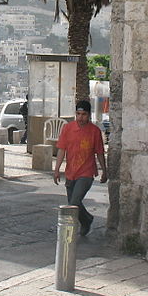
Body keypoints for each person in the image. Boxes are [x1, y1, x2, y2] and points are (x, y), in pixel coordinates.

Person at [53, 99, 106, 236]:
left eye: (83, 114)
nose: (80, 118)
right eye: (78, 114)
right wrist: (57, 169)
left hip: (86, 172)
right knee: (72, 203)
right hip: (71, 172)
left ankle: (74, 227)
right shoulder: (68, 128)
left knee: (74, 202)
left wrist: (104, 171)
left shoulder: (94, 131)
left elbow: (99, 152)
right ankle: (86, 220)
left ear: (89, 115)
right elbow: (61, 149)